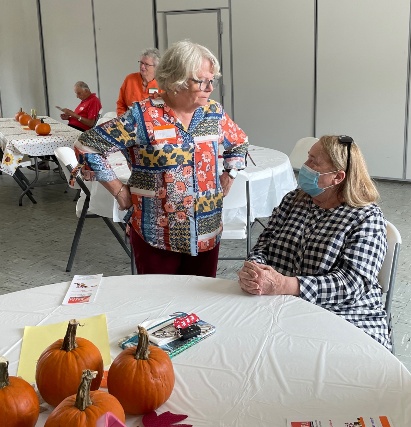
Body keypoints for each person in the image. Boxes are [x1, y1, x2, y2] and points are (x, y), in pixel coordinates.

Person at [74, 39, 248, 276]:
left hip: (206, 230)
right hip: (156, 233)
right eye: (202, 81)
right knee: (159, 297)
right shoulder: (143, 116)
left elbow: (239, 142)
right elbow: (87, 146)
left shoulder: (213, 113)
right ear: (176, 81)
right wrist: (119, 191)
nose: (209, 88)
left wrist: (230, 173)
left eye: (212, 80)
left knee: (203, 295)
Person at [237, 135, 391, 349]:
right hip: (282, 302)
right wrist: (255, 270)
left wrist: (286, 285)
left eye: (313, 162)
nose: (305, 166)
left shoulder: (367, 218)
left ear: (337, 177)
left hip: (343, 312)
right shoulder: (294, 200)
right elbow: (265, 243)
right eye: (308, 158)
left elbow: (352, 283)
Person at [29, 81, 101, 171]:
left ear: (86, 91)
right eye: (76, 93)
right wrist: (69, 117)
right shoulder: (84, 101)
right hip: (73, 127)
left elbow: (91, 123)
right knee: (47, 133)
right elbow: (79, 117)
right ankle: (49, 162)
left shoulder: (93, 101)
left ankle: (61, 164)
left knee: (53, 138)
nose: (77, 96)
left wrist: (73, 115)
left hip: (81, 131)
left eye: (79, 93)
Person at [116, 48, 161, 116]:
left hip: (154, 120)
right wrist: (122, 118)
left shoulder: (162, 83)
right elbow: (121, 103)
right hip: (130, 120)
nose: (142, 66)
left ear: (156, 67)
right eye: (141, 63)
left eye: (146, 64)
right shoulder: (129, 79)